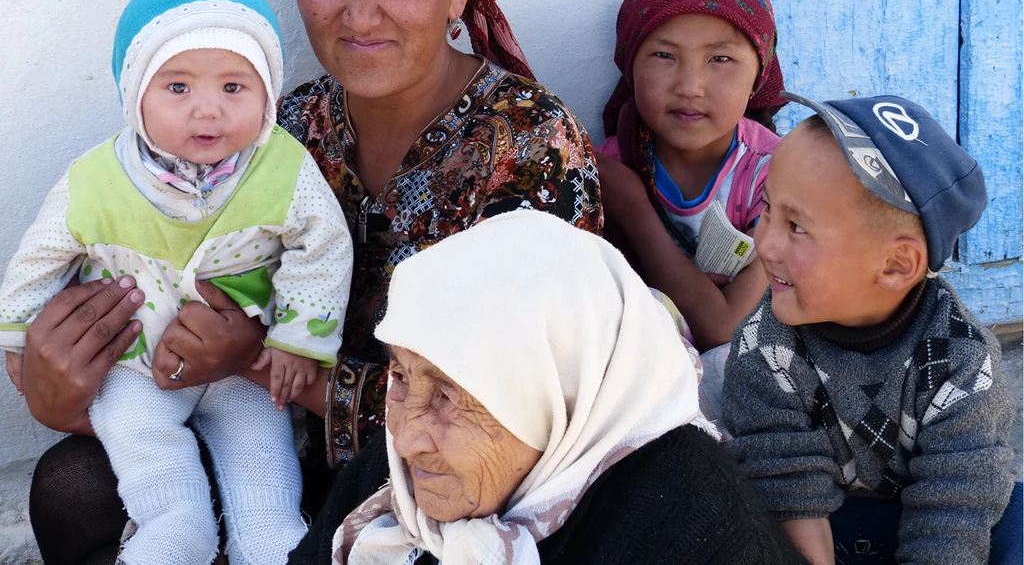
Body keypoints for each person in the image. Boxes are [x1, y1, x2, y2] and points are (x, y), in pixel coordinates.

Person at [23, 0, 602, 562]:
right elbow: (165, 296)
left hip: (445, 490)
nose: (359, 9)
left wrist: (255, 362)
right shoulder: (279, 130)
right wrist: (63, 384)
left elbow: (527, 411)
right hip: (272, 456)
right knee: (69, 486)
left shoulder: (529, 143)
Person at [2, 0, 355, 564]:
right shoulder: (97, 179)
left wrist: (299, 340)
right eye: (177, 86)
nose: (208, 108)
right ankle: (172, 537)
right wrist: (18, 336)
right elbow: (42, 256)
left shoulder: (283, 166)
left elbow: (322, 247)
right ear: (134, 94)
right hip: (136, 366)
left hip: (246, 369)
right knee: (150, 460)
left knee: (263, 471)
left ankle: (272, 544)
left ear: (267, 94)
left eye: (234, 85)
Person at [287, 210, 808, 565]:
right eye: (400, 376)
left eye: (448, 396)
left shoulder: (693, 529)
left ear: (558, 393)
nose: (404, 438)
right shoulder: (399, 474)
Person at [722, 92, 1022, 565]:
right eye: (767, 209)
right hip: (824, 525)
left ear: (896, 265)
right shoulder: (765, 345)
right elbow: (785, 487)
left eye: (797, 227)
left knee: (1013, 513)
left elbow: (956, 505)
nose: (766, 243)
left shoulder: (962, 361)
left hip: (929, 521)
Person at [594, 0, 787, 422]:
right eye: (663, 55)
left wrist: (635, 211)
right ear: (629, 63)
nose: (691, 85)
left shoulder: (776, 174)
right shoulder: (605, 169)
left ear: (758, 71)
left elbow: (723, 329)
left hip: (762, 389)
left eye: (720, 58)